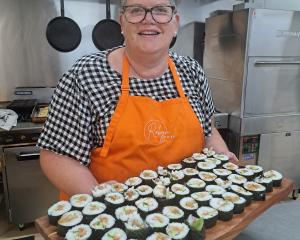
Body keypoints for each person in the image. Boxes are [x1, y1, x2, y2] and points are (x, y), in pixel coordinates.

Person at [38, 0, 238, 199]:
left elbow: (208, 131)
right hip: (113, 217)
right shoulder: (85, 75)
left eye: (160, 10)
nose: (148, 20)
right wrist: (98, 197)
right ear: (122, 23)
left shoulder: (191, 71)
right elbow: (57, 154)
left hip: (186, 205)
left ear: (175, 22)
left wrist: (222, 156)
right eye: (136, 11)